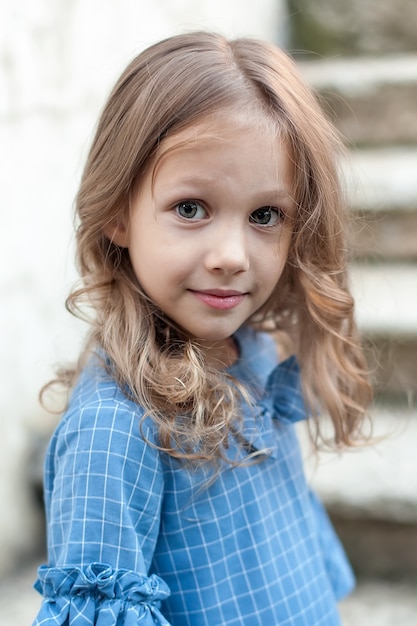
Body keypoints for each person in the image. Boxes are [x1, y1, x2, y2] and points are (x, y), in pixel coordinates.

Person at [32, 31, 372, 626]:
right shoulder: (116, 433)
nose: (232, 255)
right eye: (191, 208)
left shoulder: (257, 352)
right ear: (118, 212)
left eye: (266, 215)